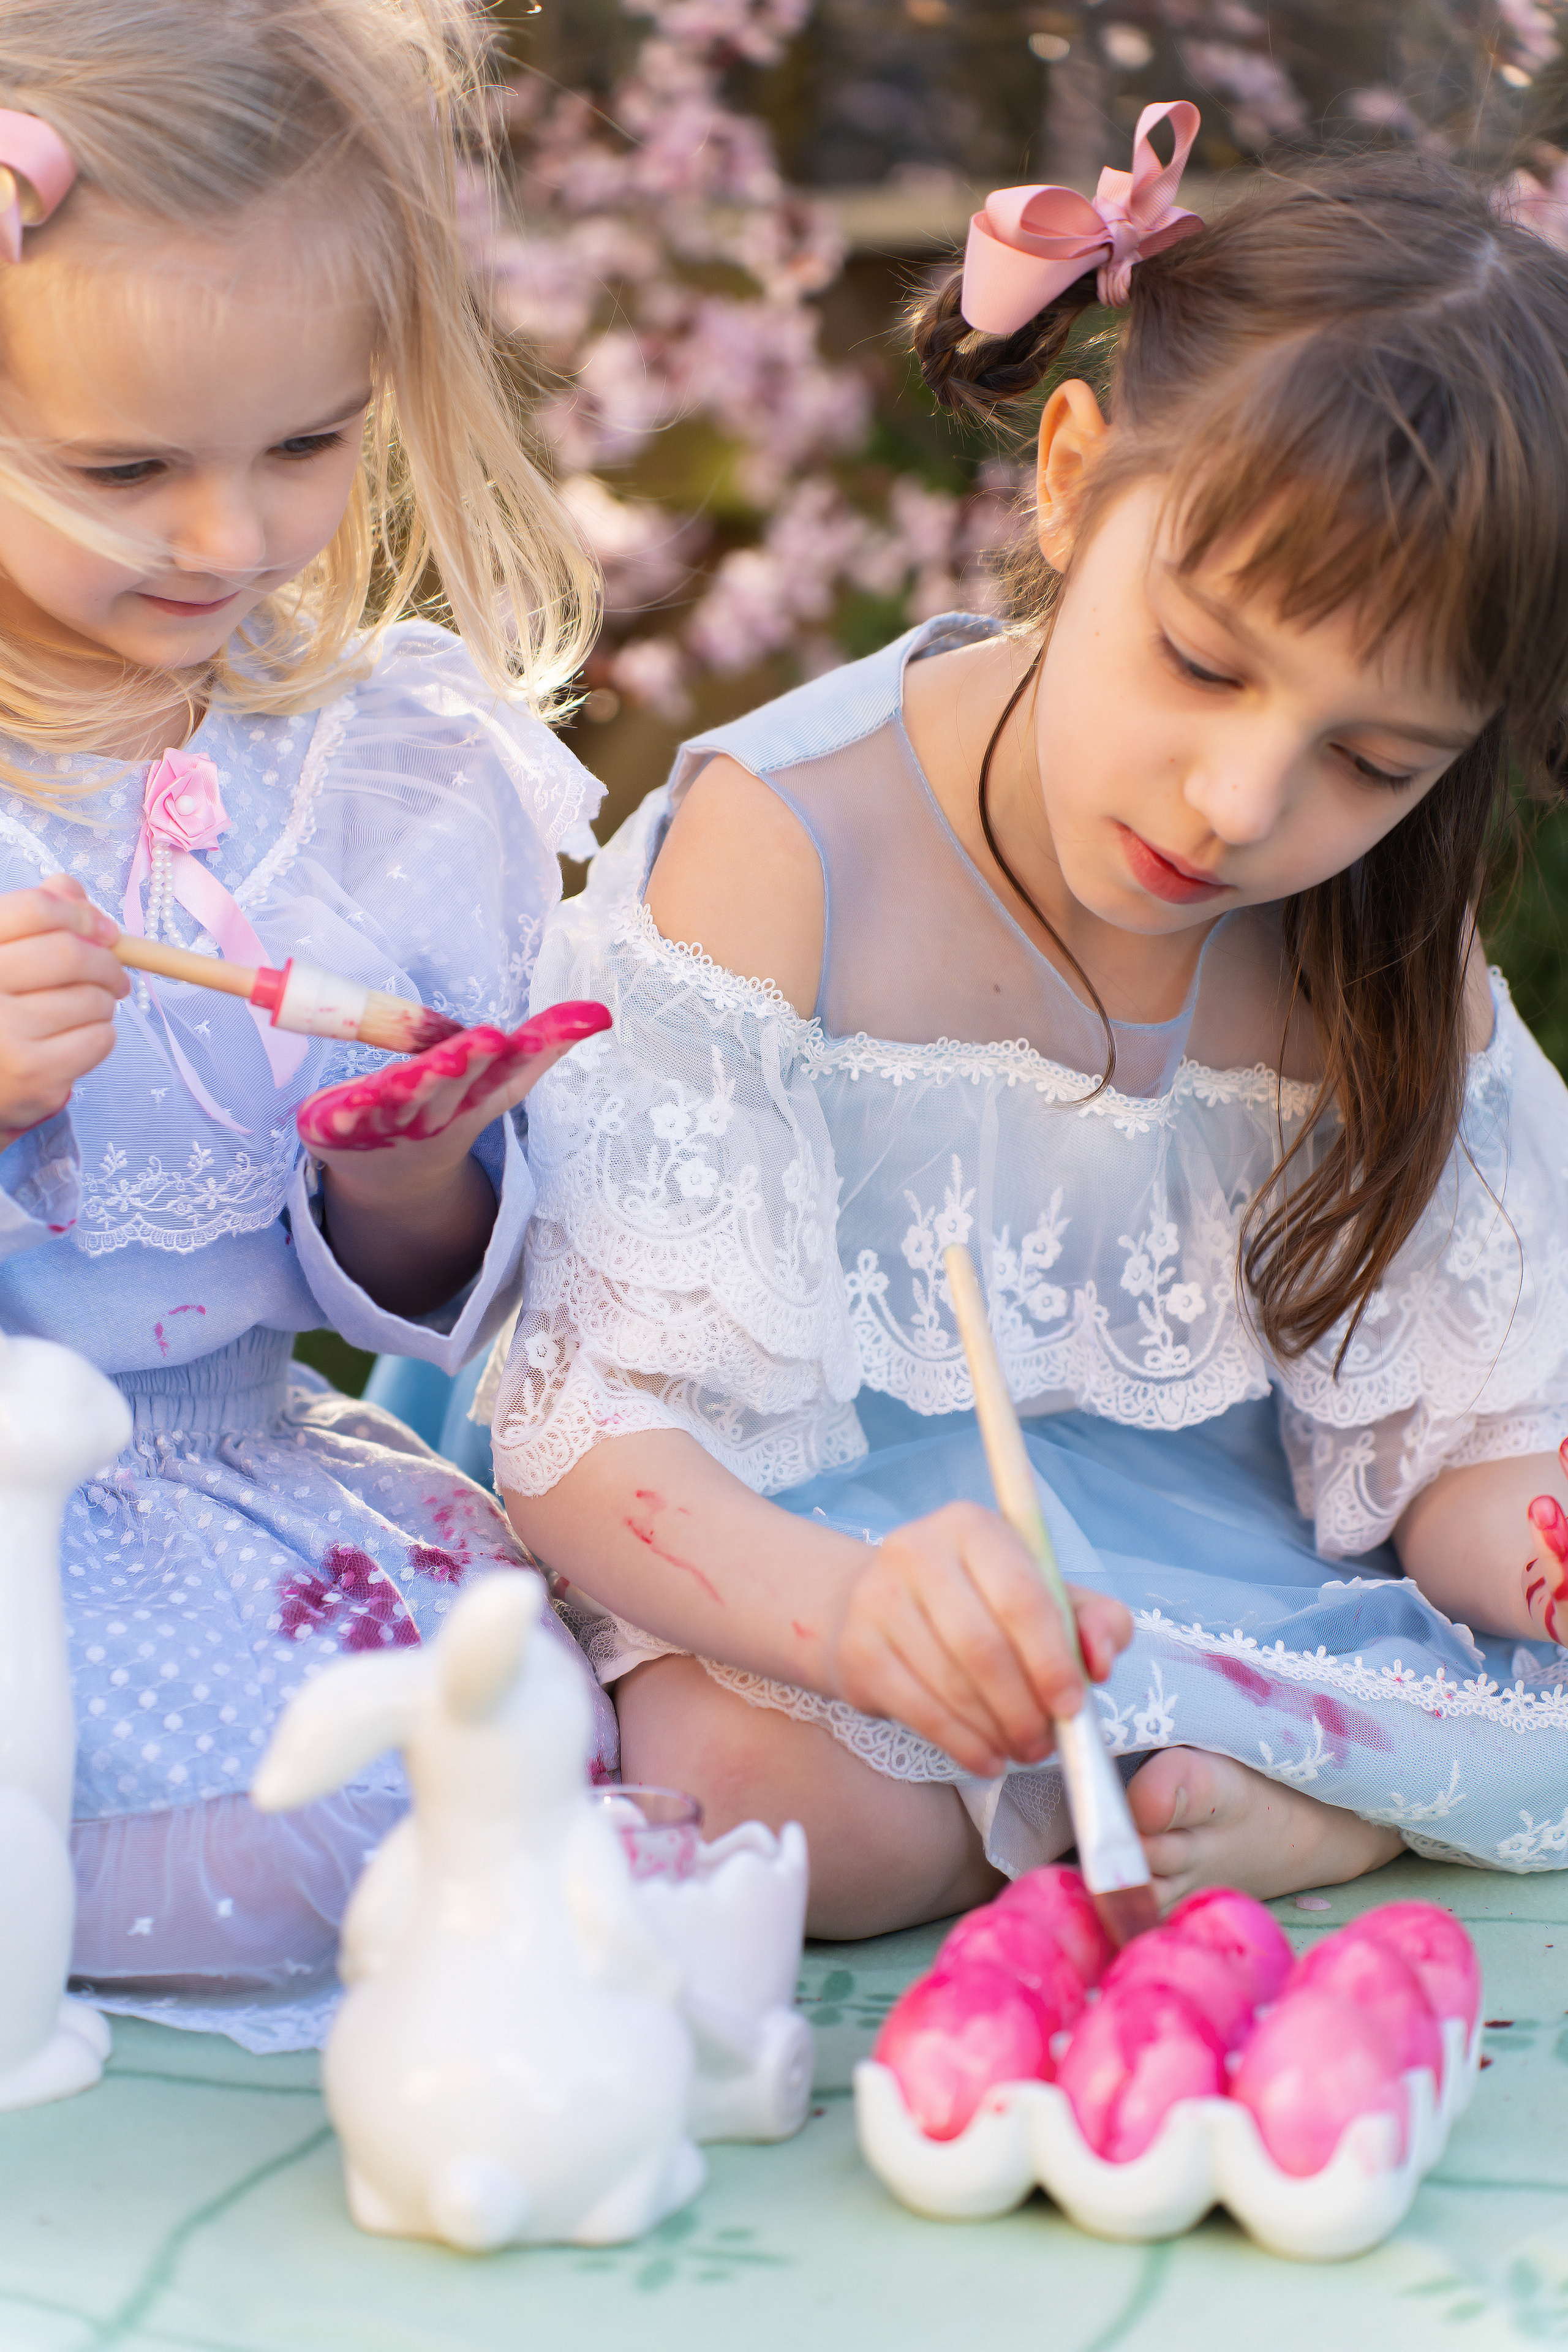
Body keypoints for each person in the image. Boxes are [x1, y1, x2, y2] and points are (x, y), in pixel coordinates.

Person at [491, 114, 1568, 1939]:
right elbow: (601, 1432)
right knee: (756, 1804)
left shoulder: (1382, 944)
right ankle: (1235, 1808)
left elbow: (1468, 1457)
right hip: (827, 1549)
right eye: (1205, 661)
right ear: (1071, 479)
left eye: (1371, 762)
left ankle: (1302, 1802)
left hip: (1205, 1577)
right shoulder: (793, 844)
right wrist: (852, 1617)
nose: (1237, 801)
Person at [0, 0, 618, 2043]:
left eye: (305, 444)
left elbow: (404, 1296)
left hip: (238, 1476)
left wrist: (414, 1176)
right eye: (124, 469)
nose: (232, 537)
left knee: (521, 1727)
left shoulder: (375, 768)